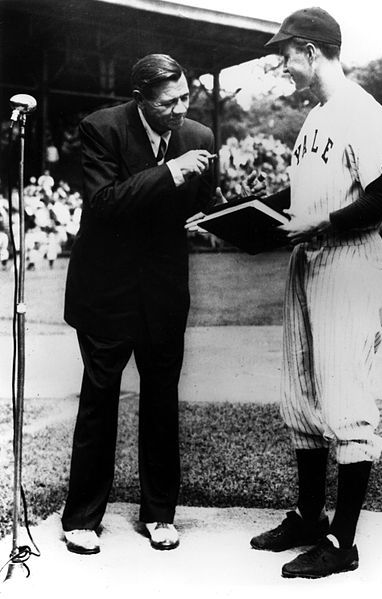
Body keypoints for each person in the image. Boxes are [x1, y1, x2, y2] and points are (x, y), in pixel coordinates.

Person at [249, 8, 382, 579]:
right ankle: (310, 516)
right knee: (302, 391)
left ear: (311, 50)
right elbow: (316, 184)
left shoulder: (363, 111)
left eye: (286, 54)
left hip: (347, 262)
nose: (282, 66)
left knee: (346, 400)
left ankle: (343, 542)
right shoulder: (316, 117)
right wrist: (250, 211)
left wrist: (317, 226)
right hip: (307, 262)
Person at [62, 53, 217, 555]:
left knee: (161, 402)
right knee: (99, 401)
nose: (180, 109)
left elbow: (203, 203)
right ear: (141, 99)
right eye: (168, 102)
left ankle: (160, 513)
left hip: (165, 292)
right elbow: (104, 204)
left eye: (185, 97)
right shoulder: (100, 128)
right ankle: (82, 518)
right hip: (107, 293)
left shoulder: (199, 137)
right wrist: (169, 172)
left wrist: (216, 219)